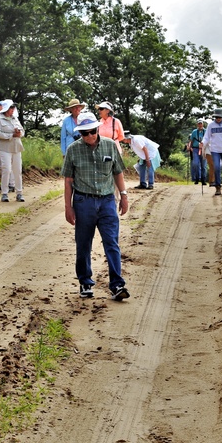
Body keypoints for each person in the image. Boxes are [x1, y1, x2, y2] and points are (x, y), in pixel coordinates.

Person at [61, 112, 130, 301]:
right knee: (84, 244)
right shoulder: (73, 150)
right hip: (84, 202)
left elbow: (118, 173)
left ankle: (117, 285)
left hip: (107, 201)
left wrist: (123, 195)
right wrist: (68, 206)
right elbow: (68, 181)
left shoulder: (110, 145)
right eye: (84, 133)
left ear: (97, 129)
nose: (89, 136)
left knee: (112, 243)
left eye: (92, 132)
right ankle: (85, 282)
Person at [0, 99, 25, 202]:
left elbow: (22, 132)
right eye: (11, 107)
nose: (13, 109)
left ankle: (19, 193)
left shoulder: (15, 119)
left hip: (16, 147)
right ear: (6, 108)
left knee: (17, 170)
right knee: (6, 169)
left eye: (13, 107)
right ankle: (4, 193)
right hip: (4, 148)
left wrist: (19, 133)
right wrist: (11, 135)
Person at [187, 119, 208, 185]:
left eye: (201, 123)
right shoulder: (194, 132)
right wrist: (189, 147)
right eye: (199, 123)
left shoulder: (206, 131)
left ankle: (203, 179)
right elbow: (191, 140)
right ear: (197, 124)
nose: (200, 125)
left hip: (204, 149)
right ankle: (196, 178)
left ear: (203, 124)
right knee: (195, 163)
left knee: (203, 165)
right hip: (195, 149)